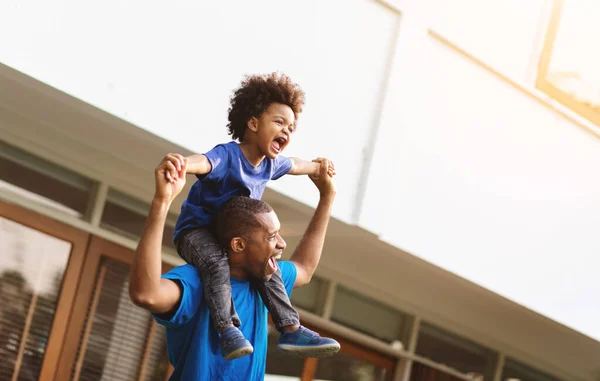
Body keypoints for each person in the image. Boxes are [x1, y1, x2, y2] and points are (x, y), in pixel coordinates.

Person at [161, 72, 337, 360]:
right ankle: (227, 329)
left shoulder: (269, 164)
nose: (286, 131)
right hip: (197, 233)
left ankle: (290, 328)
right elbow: (204, 162)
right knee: (217, 265)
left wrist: (317, 169)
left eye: (291, 127)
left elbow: (294, 164)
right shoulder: (229, 155)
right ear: (253, 124)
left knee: (268, 267)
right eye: (279, 122)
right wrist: (182, 164)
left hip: (233, 239)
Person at [129, 156, 338, 380]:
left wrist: (327, 196)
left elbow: (304, 269)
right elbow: (146, 294)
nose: (282, 244)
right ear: (238, 244)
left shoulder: (267, 281)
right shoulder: (195, 280)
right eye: (271, 236)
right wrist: (162, 203)